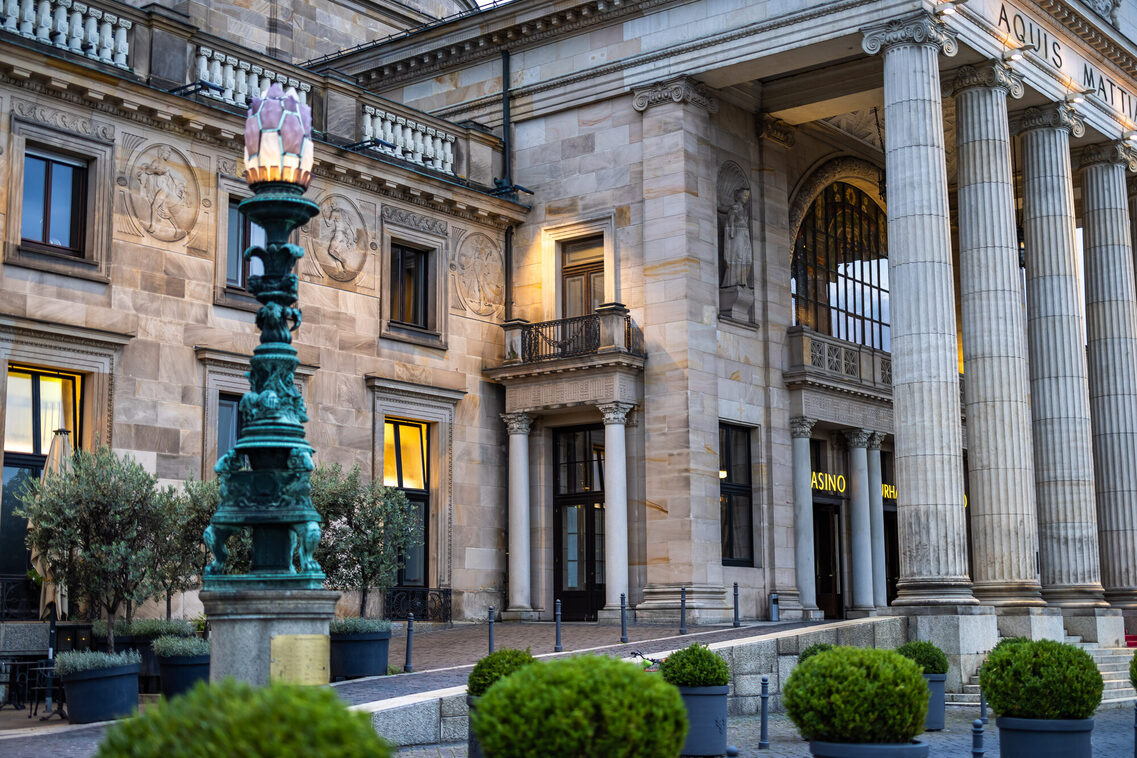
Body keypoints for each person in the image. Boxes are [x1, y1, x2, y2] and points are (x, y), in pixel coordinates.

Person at [721, 187, 752, 288]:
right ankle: (734, 281)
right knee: (738, 257)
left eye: (747, 196)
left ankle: (742, 280)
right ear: (739, 196)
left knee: (747, 259)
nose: (746, 197)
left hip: (745, 235)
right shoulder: (735, 207)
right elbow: (730, 219)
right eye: (745, 195)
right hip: (737, 234)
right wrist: (731, 231)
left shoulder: (744, 209)